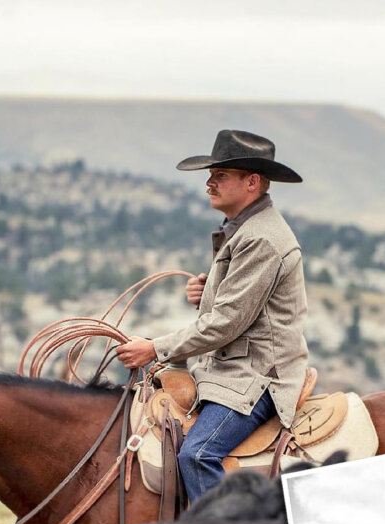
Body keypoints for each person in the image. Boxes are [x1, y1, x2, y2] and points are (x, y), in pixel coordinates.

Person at [115, 129, 308, 502]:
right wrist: (206, 296)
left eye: (220, 175)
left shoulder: (261, 238)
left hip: (258, 376)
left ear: (252, 182)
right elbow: (242, 306)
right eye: (211, 174)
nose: (209, 182)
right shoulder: (244, 229)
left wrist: (155, 349)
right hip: (231, 369)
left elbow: (225, 324)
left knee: (198, 454)